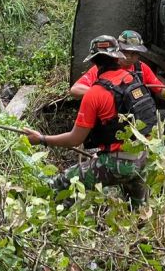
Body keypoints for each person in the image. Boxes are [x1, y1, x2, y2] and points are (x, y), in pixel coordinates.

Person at [24, 35, 157, 208]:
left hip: (118, 165)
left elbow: (75, 139)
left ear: (94, 62)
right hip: (143, 161)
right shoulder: (135, 81)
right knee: (138, 212)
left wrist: (42, 139)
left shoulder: (95, 93)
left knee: (62, 183)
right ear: (118, 57)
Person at [70, 30, 164, 99]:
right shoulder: (102, 68)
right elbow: (75, 90)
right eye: (125, 52)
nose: (129, 57)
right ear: (117, 51)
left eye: (134, 53)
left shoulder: (141, 68)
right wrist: (107, 93)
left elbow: (161, 90)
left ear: (139, 55)